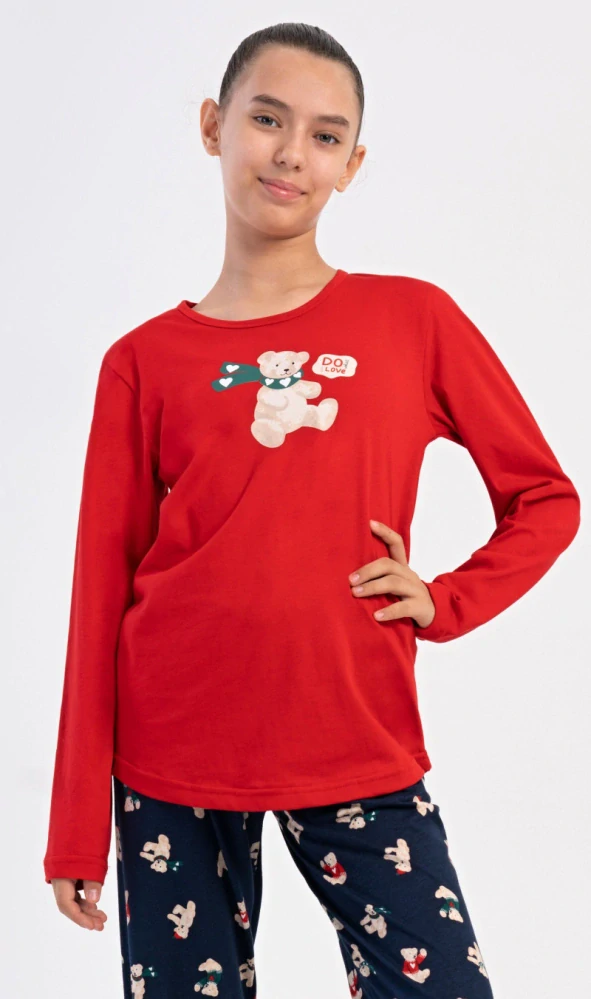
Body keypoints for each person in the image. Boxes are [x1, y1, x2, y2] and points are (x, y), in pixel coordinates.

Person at [43, 22, 580, 999]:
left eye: (325, 135)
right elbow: (98, 594)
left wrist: (446, 599)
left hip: (354, 735)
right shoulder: (142, 361)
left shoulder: (412, 320)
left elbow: (544, 497)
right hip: (171, 755)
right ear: (213, 127)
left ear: (352, 164)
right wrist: (75, 824)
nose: (292, 152)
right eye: (267, 119)